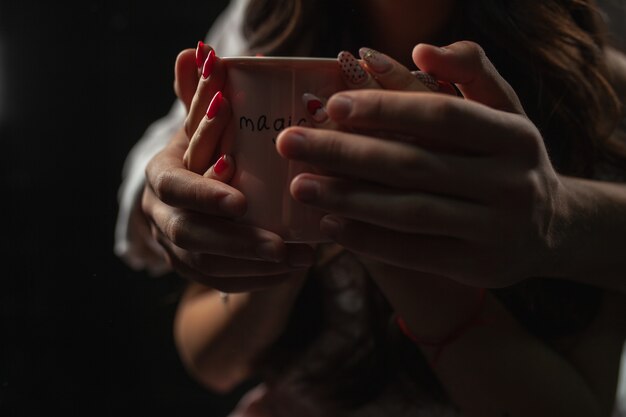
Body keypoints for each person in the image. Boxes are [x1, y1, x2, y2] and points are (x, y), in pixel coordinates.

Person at [115, 0, 626, 416]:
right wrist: (277, 240)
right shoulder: (272, 35)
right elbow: (211, 358)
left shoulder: (584, 88)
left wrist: (386, 239)